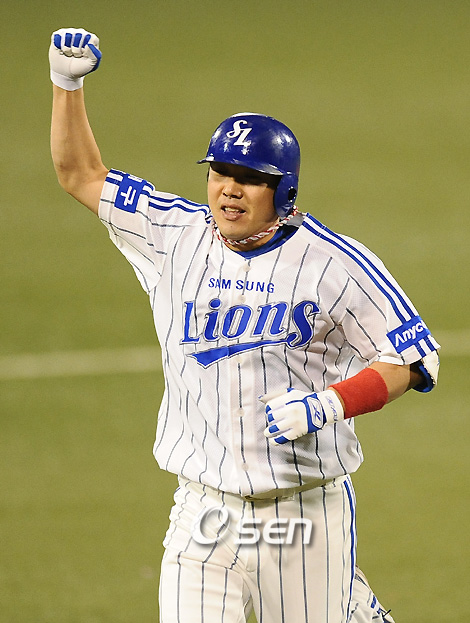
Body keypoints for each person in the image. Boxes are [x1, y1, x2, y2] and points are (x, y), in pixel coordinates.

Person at [49, 28, 440, 623]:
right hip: (204, 514)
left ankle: (351, 606)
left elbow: (413, 360)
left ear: (283, 190)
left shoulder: (334, 263)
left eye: (250, 177)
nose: (229, 189)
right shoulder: (174, 235)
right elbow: (81, 174)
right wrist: (66, 84)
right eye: (219, 172)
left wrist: (329, 405)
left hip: (305, 516)